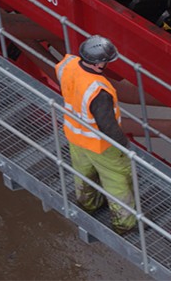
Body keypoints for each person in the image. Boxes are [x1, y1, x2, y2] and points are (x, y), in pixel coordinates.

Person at [55, 35, 137, 235]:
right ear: (98, 64)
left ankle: (89, 205)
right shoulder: (99, 91)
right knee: (118, 182)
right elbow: (107, 126)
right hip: (101, 146)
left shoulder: (67, 64)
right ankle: (124, 224)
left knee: (83, 174)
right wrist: (124, 147)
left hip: (75, 135)